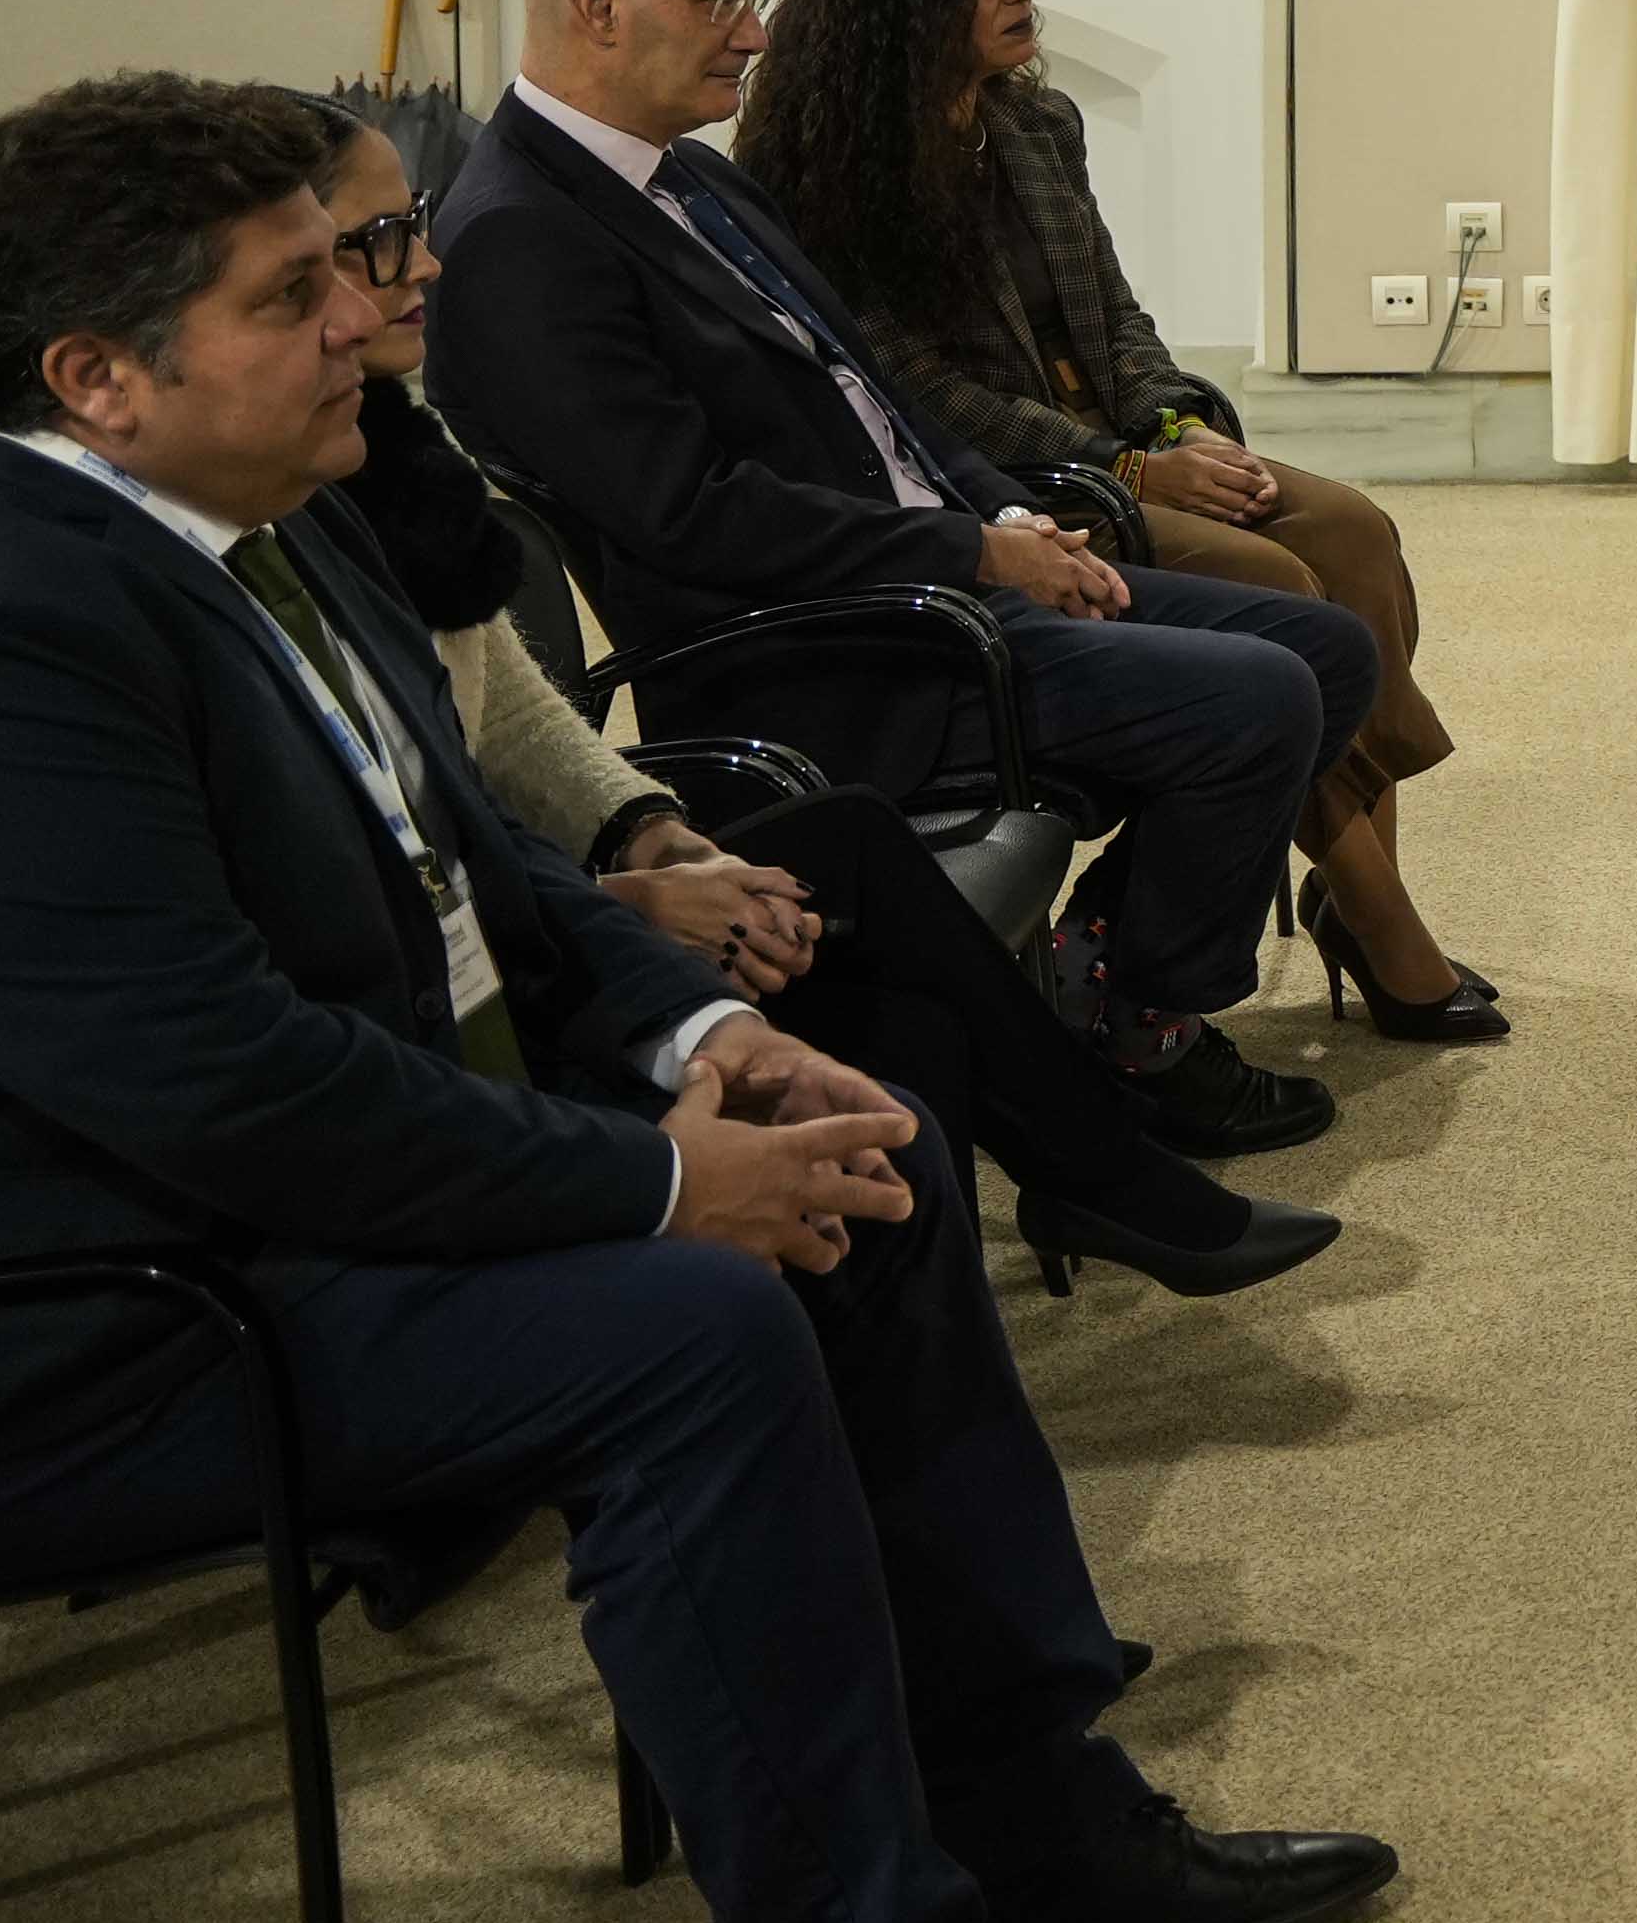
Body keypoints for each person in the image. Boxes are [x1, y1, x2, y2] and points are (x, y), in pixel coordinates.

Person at [0, 75, 1393, 1923]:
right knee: (693, 1325)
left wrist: (702, 1032)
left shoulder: (248, 515)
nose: (364, 317)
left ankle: (1042, 1821)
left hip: (309, 1166)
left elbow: (472, 849)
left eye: (350, 262)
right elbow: (225, 1088)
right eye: (289, 290)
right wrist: (662, 1176)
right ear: (97, 373)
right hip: (80, 1315)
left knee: (870, 1148)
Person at [299, 107, 1337, 1298]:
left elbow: (517, 706)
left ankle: (1095, 1138)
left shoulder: (395, 432)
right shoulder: (508, 258)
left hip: (590, 848)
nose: (422, 261)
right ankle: (1113, 1141)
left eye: (414, 227)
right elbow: (682, 525)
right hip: (771, 692)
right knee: (902, 918)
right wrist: (613, 890)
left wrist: (646, 824)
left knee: (1298, 642)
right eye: (379, 238)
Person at [427, 0, 1375, 1142]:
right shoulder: (520, 237)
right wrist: (972, 549)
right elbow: (696, 518)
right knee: (1261, 696)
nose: (755, 32)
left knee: (1324, 642)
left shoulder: (691, 180)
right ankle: (1145, 1027)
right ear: (598, 4)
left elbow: (881, 396)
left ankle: (1087, 980)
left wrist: (1016, 522)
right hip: (839, 647)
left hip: (940, 578)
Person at [729, 0, 1495, 1040]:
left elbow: (1112, 310)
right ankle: (1378, 911)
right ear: (895, 0)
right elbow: (913, 391)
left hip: (1115, 431)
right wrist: (1129, 471)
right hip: (1004, 475)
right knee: (1280, 585)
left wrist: (1177, 423)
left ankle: (1350, 891)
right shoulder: (812, 161)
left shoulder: (1037, 116)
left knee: (1352, 529)